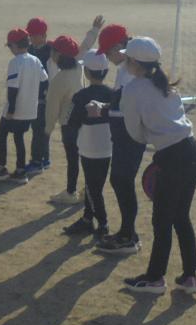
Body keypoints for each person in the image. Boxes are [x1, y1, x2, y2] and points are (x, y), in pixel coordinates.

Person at [114, 37, 196, 295]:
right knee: (180, 217)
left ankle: (155, 279)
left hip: (172, 157)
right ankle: (190, 276)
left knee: (162, 221)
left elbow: (135, 133)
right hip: (193, 151)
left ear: (134, 63)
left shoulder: (132, 90)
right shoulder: (166, 86)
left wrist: (148, 137)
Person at [95, 25, 146, 256]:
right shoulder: (126, 67)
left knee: (121, 180)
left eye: (108, 51)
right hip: (125, 132)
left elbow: (125, 106)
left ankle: (128, 236)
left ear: (118, 47)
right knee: (120, 180)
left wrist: (103, 110)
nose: (106, 56)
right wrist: (107, 107)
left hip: (130, 134)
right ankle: (128, 232)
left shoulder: (129, 69)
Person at [63, 51, 114, 243]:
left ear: (86, 72)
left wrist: (69, 142)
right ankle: (87, 218)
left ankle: (102, 223)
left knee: (93, 188)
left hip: (88, 147)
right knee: (95, 184)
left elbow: (72, 123)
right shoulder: (112, 94)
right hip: (107, 147)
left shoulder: (81, 96)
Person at [0, 28, 46, 185]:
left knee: (2, 134)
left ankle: (2, 168)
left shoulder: (15, 62)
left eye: (10, 46)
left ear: (15, 45)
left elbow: (13, 88)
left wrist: (11, 110)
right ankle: (21, 171)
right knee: (19, 137)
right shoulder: (35, 60)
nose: (10, 49)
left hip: (16, 109)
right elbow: (44, 79)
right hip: (30, 109)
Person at [46, 35, 87, 207]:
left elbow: (52, 109)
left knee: (72, 159)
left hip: (68, 123)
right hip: (84, 120)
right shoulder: (78, 68)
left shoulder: (58, 80)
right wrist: (94, 31)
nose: (51, 54)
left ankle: (71, 191)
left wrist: (47, 130)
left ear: (59, 55)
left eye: (53, 51)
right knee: (85, 157)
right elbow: (83, 48)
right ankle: (87, 189)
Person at [23, 18, 53, 173]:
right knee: (39, 128)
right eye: (30, 35)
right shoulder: (29, 49)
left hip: (46, 96)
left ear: (44, 35)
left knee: (40, 129)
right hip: (33, 95)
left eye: (35, 35)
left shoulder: (51, 50)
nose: (32, 38)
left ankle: (37, 161)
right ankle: (45, 158)